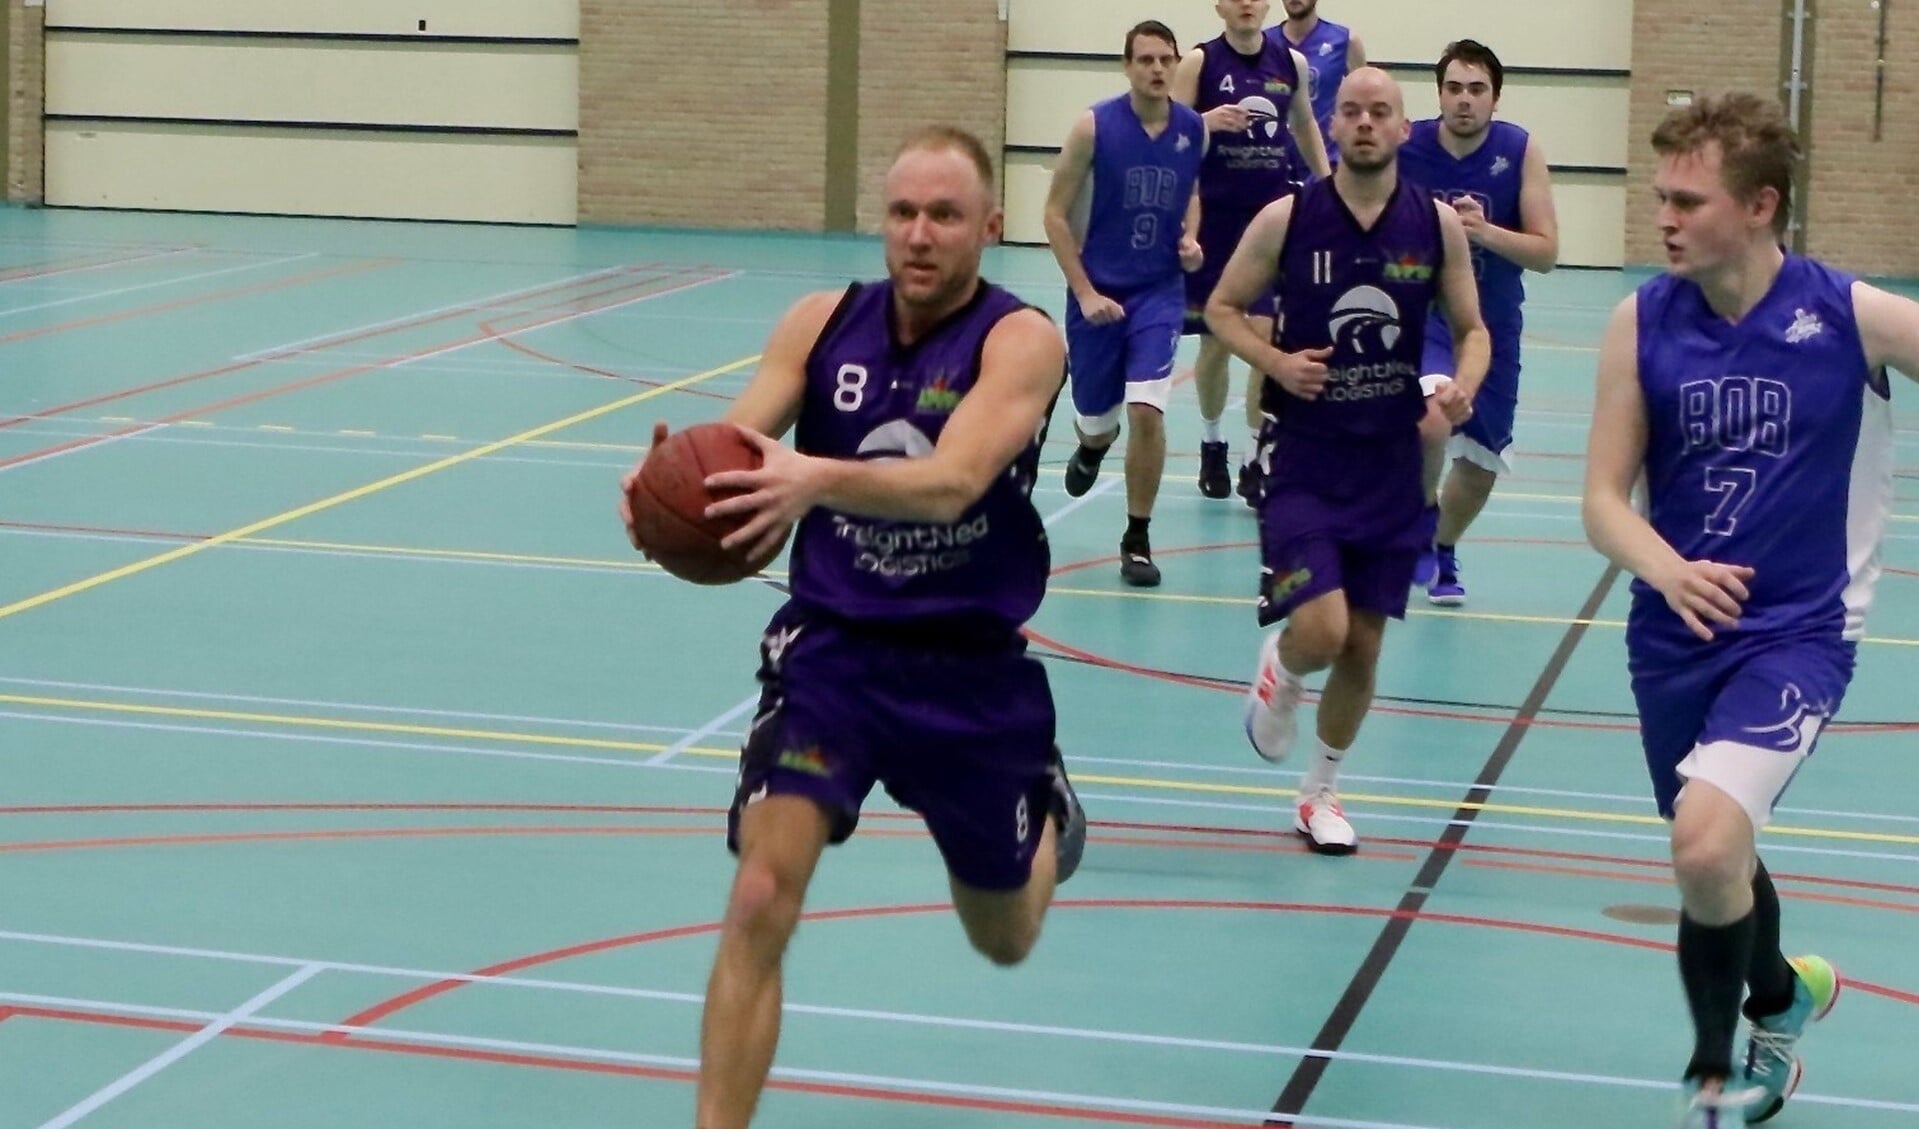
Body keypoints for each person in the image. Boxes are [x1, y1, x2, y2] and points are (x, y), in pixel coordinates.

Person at [618, 125, 1087, 1129]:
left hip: (967, 665)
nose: (918, 235)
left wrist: (815, 477)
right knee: (757, 896)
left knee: (1001, 937)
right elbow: (742, 457)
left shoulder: (1022, 340)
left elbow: (955, 481)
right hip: (833, 649)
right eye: (902, 213)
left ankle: (1045, 807)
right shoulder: (819, 322)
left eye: (945, 216)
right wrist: (669, 495)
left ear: (988, 228)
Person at [1583, 91, 1916, 1127]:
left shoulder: (1847, 315)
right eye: (1658, 196)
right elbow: (1600, 501)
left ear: (1760, 205)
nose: (1663, 217)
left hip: (1796, 633)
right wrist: (1666, 567)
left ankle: (1714, 1071)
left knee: (1702, 841)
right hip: (1670, 635)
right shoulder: (1639, 318)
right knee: (1714, 852)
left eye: (1687, 199)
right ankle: (1784, 990)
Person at [1205, 68, 1487, 854]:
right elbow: (1222, 309)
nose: (1365, 123)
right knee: (1322, 629)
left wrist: (1461, 389)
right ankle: (1283, 667)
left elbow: (1472, 328)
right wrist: (1274, 360)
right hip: (1304, 454)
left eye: (1381, 112)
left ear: (1404, 129)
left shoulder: (1434, 227)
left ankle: (1319, 793)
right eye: (1351, 111)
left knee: (1363, 644)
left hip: (1392, 463)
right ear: (1331, 126)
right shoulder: (1285, 217)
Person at [1397, 38, 1560, 605]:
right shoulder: (1406, 144)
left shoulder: (1518, 151)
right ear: (1438, 93)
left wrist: (1485, 232)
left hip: (1492, 322)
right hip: (1424, 315)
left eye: (1476, 89)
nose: (1464, 100)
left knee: (1482, 460)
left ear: (1495, 97)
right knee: (1433, 414)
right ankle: (1416, 518)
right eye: (1454, 88)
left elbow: (1546, 252)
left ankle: (1442, 544)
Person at [1043, 20, 1206, 586]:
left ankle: (1136, 536)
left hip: (1159, 291)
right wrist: (1085, 293)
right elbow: (1054, 215)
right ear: (1127, 66)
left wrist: (1190, 239)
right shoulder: (1094, 127)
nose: (1158, 69)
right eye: (1146, 59)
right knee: (1097, 419)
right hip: (1098, 292)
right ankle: (1092, 445)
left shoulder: (1192, 130)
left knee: (1147, 410)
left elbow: (1192, 195)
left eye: (1167, 58)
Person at [1173, 0, 1330, 504]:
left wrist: (1328, 189)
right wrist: (1205, 122)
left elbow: (1304, 126)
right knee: (1218, 344)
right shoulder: (1199, 62)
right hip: (1215, 223)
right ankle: (1212, 440)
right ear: (1219, 5)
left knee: (1265, 341)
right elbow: (1170, 133)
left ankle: (1255, 457)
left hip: (1270, 224)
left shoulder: (1292, 65)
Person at [1269, 0, 1366, 175]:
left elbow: (1365, 101)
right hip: (1275, 163)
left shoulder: (1344, 41)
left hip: (1328, 162)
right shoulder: (1264, 43)